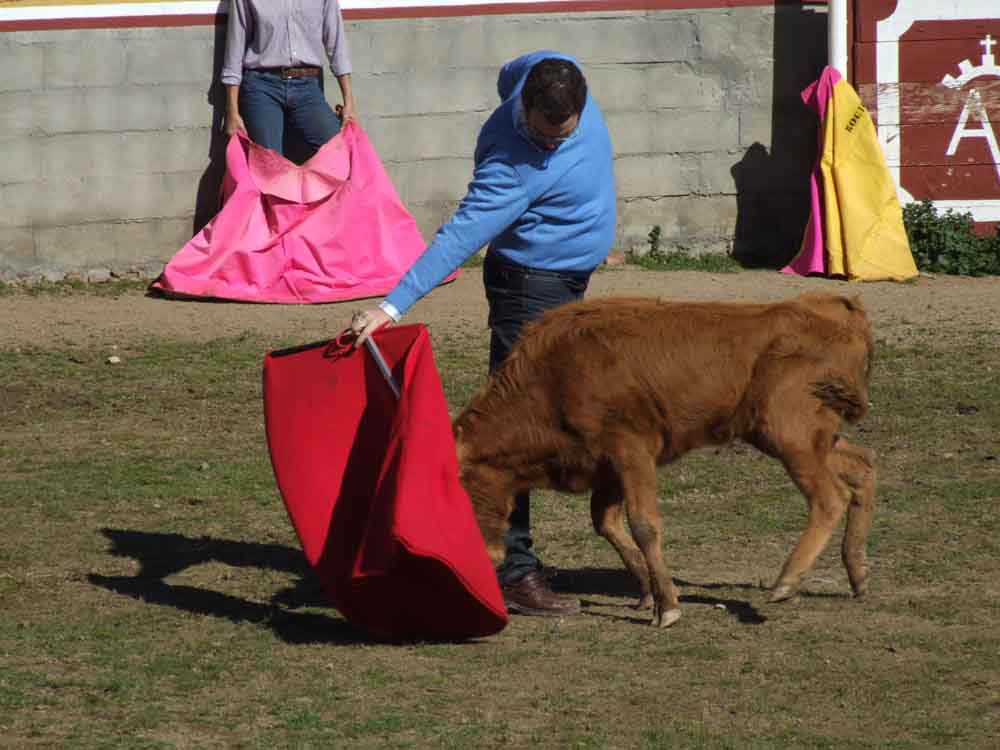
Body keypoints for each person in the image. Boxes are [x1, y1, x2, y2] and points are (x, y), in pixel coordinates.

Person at [349, 50, 617, 617]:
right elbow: (457, 237)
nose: (552, 146)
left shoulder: (551, 70)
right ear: (525, 109)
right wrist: (392, 306)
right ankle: (510, 570)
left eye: (563, 136)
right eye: (543, 136)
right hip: (530, 290)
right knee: (514, 429)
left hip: (568, 283)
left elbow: (515, 69)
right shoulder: (509, 166)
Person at [221, 0, 356, 159]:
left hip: (308, 86)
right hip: (262, 87)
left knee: (339, 152)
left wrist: (349, 103)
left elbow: (337, 46)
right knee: (269, 162)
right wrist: (232, 111)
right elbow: (234, 51)